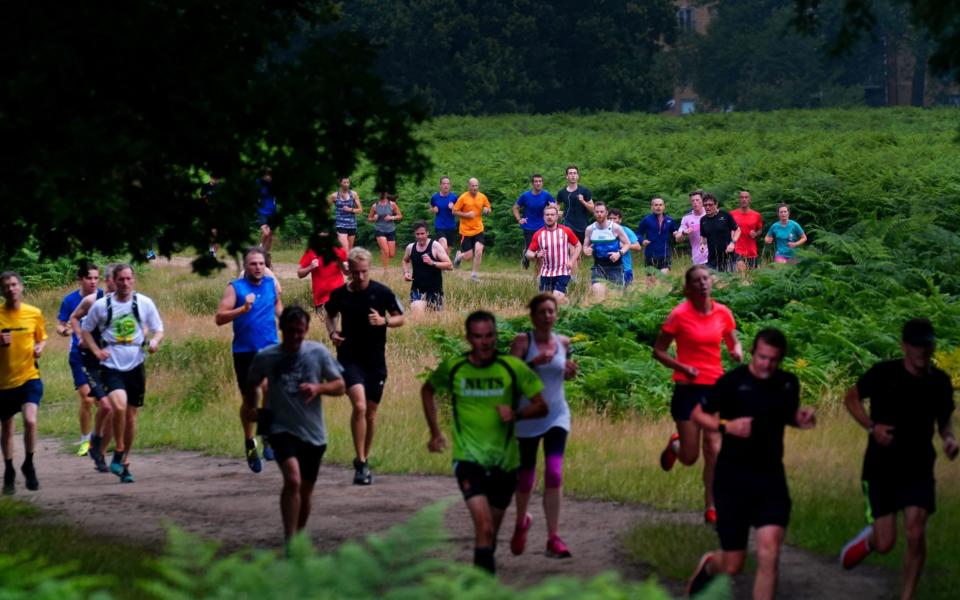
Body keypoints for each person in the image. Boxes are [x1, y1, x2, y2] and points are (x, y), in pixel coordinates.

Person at [687, 328, 817, 599]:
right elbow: (699, 414)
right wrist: (727, 425)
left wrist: (799, 418)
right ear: (753, 353)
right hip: (732, 479)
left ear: (780, 359)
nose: (766, 364)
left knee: (770, 553)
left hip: (770, 478)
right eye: (762, 357)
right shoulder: (732, 382)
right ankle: (710, 566)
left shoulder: (788, 383)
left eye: (773, 359)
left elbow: (786, 415)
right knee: (734, 564)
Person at [421, 310, 548, 574]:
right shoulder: (455, 368)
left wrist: (516, 414)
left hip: (505, 461)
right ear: (468, 338)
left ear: (495, 336)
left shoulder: (512, 368)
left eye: (489, 335)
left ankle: (483, 570)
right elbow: (428, 389)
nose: (485, 342)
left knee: (490, 535)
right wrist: (435, 431)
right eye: (478, 337)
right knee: (484, 526)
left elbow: (541, 406)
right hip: (468, 459)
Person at [839, 318, 957, 600]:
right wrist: (871, 427)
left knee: (916, 531)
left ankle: (907, 596)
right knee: (886, 542)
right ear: (904, 346)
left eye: (927, 344)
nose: (922, 351)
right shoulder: (883, 374)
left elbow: (944, 422)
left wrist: (949, 439)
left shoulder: (939, 382)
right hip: (881, 468)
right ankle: (868, 541)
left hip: (919, 466)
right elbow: (851, 398)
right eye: (916, 345)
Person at [244, 305, 346, 543]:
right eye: (290, 331)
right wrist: (252, 407)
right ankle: (290, 538)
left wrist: (318, 388)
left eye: (300, 331)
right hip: (280, 428)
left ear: (307, 329)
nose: (295, 336)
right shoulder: (266, 357)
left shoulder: (318, 353)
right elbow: (252, 383)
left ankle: (298, 536)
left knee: (306, 490)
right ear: (281, 329)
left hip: (313, 433)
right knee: (293, 480)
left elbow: (340, 386)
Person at [653, 264, 742, 524]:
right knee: (691, 457)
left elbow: (733, 340)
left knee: (714, 449)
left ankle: (711, 506)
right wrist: (682, 367)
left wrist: (737, 351)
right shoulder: (679, 315)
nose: (703, 283)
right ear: (688, 288)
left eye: (706, 279)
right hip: (688, 389)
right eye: (697, 281)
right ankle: (677, 445)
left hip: (715, 389)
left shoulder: (723, 313)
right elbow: (658, 351)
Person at [324, 247, 404, 485]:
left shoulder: (381, 292)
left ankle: (364, 459)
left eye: (365, 272)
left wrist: (384, 321)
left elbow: (401, 317)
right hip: (349, 357)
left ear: (370, 269)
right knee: (358, 406)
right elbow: (329, 314)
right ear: (349, 270)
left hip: (375, 360)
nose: (360, 277)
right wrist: (332, 332)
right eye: (356, 272)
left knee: (370, 412)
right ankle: (360, 460)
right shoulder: (340, 294)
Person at [508, 294, 578, 559]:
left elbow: (563, 374)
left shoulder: (563, 343)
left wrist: (570, 371)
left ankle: (553, 537)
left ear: (556, 314)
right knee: (525, 476)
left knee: (554, 473)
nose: (547, 316)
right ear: (533, 316)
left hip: (556, 415)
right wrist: (531, 364)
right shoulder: (522, 342)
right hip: (528, 416)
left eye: (551, 311)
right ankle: (520, 522)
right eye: (542, 312)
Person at [80, 265, 164, 483]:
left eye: (128, 279)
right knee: (118, 406)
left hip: (136, 363)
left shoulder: (144, 303)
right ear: (113, 282)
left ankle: (124, 461)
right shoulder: (101, 305)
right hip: (111, 365)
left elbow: (158, 328)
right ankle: (117, 450)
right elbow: (86, 329)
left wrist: (154, 341)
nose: (125, 283)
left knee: (130, 416)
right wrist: (97, 350)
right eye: (121, 280)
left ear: (133, 280)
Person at [215, 248, 283, 473]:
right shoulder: (235, 288)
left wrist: (287, 320)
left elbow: (277, 307)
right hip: (245, 352)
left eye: (261, 264)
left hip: (270, 348)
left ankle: (267, 436)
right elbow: (219, 318)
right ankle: (249, 442)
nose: (258, 268)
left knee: (269, 389)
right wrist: (242, 309)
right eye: (253, 264)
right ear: (245, 266)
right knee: (250, 402)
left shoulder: (270, 284)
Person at [0, 271, 47, 494]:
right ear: (2, 291)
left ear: (21, 287)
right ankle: (9, 470)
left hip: (29, 376)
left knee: (30, 419)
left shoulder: (34, 313)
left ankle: (29, 464)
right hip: (3, 382)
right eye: (6, 286)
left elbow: (41, 338)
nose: (11, 289)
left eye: (14, 284)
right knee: (7, 426)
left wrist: (39, 348)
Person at [69, 264, 119, 473]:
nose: (120, 284)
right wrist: (81, 337)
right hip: (89, 361)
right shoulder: (92, 300)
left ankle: (100, 452)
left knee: (114, 409)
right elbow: (73, 317)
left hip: (112, 362)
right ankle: (91, 441)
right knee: (103, 405)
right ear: (108, 281)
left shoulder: (127, 302)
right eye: (115, 280)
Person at [56, 261, 103, 457]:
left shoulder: (103, 297)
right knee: (86, 398)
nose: (93, 282)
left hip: (101, 355)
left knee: (103, 401)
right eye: (88, 278)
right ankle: (85, 442)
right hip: (78, 355)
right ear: (80, 279)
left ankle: (99, 438)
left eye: (95, 278)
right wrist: (65, 331)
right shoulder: (69, 300)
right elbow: (60, 325)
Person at [526, 205, 581, 300]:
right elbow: (528, 253)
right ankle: (567, 304)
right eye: (547, 215)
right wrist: (536, 255)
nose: (549, 217)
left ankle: (564, 302)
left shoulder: (565, 231)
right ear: (543, 217)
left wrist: (572, 261)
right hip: (546, 273)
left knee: (556, 298)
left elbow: (578, 245)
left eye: (552, 215)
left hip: (562, 271)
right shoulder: (539, 234)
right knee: (546, 302)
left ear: (556, 217)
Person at [581, 202, 632, 301]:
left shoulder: (615, 228)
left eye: (601, 212)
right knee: (598, 296)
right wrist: (586, 250)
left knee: (615, 300)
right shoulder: (590, 229)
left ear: (606, 213)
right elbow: (585, 246)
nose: (599, 214)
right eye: (597, 212)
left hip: (615, 267)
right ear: (594, 213)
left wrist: (619, 253)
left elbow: (627, 244)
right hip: (598, 267)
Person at [402, 221, 452, 315]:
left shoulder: (435, 246)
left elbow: (449, 265)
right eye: (417, 234)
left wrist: (432, 262)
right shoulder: (410, 247)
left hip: (435, 290)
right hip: (417, 289)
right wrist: (406, 272)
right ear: (414, 234)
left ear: (427, 233)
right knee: (417, 314)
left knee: (434, 319)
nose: (420, 236)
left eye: (422, 233)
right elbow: (405, 260)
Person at [297, 231, 348, 315]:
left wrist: (342, 265)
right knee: (323, 325)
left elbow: (347, 273)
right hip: (321, 299)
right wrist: (310, 267)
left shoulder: (339, 250)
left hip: (338, 296)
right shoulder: (311, 251)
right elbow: (299, 273)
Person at [452, 178, 492, 282]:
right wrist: (466, 215)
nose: (474, 188)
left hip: (478, 229)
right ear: (469, 186)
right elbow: (454, 211)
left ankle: (474, 275)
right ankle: (459, 256)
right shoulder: (463, 198)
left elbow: (488, 208)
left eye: (476, 186)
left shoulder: (482, 197)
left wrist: (487, 211)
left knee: (479, 251)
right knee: (469, 256)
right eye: (472, 186)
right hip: (465, 231)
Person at [512, 174, 556, 269]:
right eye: (536, 181)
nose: (538, 183)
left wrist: (553, 208)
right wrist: (519, 219)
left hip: (542, 226)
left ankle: (538, 274)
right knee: (531, 249)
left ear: (542, 183)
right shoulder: (525, 196)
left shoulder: (546, 195)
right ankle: (526, 256)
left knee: (540, 250)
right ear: (532, 183)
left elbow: (555, 207)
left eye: (540, 181)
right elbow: (515, 207)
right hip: (528, 226)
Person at [699, 193, 740, 272]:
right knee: (713, 283)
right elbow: (703, 235)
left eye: (710, 205)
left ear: (716, 204)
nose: (707, 207)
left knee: (730, 282)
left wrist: (732, 243)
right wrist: (702, 244)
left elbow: (738, 230)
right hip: (712, 259)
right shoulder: (703, 220)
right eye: (705, 205)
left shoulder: (725, 215)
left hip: (728, 257)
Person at [636, 197, 679, 273]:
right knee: (651, 282)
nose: (658, 207)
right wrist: (642, 240)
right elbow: (638, 234)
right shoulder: (646, 220)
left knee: (663, 277)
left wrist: (677, 233)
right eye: (656, 205)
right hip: (650, 255)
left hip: (665, 254)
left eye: (660, 205)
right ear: (652, 207)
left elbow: (675, 231)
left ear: (664, 207)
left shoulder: (669, 220)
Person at [556, 165, 594, 250]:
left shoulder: (584, 191)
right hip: (568, 224)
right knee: (572, 250)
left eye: (575, 173)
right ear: (567, 176)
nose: (573, 175)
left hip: (582, 225)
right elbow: (557, 204)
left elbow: (593, 209)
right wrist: (557, 212)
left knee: (582, 251)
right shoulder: (562, 192)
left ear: (578, 176)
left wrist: (583, 201)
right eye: (570, 173)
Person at [368, 192, 402, 274]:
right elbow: (369, 218)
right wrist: (374, 218)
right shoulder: (375, 206)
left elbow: (400, 215)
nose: (381, 194)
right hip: (379, 229)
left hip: (390, 229)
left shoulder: (392, 204)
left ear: (386, 194)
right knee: (386, 250)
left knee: (391, 254)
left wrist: (392, 217)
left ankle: (383, 253)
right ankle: (385, 270)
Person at [608, 208, 642, 285]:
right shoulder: (604, 231)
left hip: (625, 268)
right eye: (610, 218)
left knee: (627, 294)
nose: (612, 220)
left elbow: (638, 247)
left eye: (614, 218)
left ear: (620, 220)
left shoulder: (626, 231)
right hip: (608, 267)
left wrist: (624, 245)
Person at [730, 191, 763, 271]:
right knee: (742, 274)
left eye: (746, 197)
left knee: (751, 277)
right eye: (742, 197)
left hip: (752, 251)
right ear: (739, 200)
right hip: (737, 249)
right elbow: (728, 230)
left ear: (750, 200)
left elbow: (760, 230)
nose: (744, 199)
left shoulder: (757, 215)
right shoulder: (732, 214)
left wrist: (755, 234)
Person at [674, 190, 708, 266]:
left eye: (697, 200)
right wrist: (684, 233)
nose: (695, 202)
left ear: (703, 201)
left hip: (714, 256)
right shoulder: (687, 218)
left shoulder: (709, 214)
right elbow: (678, 239)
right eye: (693, 201)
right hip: (698, 258)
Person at [329, 177, 363, 251]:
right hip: (340, 224)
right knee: (345, 248)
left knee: (350, 250)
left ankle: (342, 261)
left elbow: (360, 210)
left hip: (352, 224)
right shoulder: (334, 196)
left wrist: (350, 209)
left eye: (348, 182)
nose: (346, 184)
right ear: (340, 183)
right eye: (344, 182)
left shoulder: (354, 194)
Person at [430, 176, 458, 253]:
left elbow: (458, 211)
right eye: (444, 183)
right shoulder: (435, 197)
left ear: (450, 185)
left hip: (451, 226)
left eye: (448, 183)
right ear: (440, 185)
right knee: (443, 245)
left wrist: (453, 207)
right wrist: (433, 210)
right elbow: (431, 208)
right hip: (439, 226)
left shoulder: (454, 197)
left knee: (448, 250)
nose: (446, 185)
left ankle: (443, 264)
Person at [256, 168, 279, 253]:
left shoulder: (274, 184)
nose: (268, 177)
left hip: (273, 212)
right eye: (266, 175)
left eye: (270, 175)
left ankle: (265, 255)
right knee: (266, 233)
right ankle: (260, 247)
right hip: (262, 211)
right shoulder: (259, 182)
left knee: (270, 236)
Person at [200, 175, 220, 258]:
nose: (215, 179)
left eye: (217, 177)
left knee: (217, 233)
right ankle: (211, 250)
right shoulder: (205, 186)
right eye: (214, 177)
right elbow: (202, 197)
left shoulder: (221, 187)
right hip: (209, 212)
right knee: (211, 232)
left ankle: (213, 252)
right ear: (211, 177)